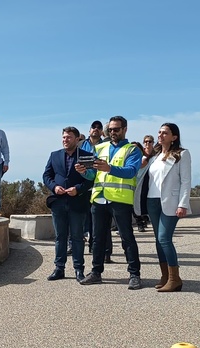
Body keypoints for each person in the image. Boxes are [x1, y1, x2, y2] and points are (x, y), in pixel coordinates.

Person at [76, 116, 144, 289]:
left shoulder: (132, 150)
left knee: (126, 237)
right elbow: (94, 175)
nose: (113, 132)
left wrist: (110, 168)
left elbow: (130, 172)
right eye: (111, 130)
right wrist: (84, 172)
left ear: (125, 129)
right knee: (97, 238)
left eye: (116, 129)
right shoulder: (100, 148)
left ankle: (134, 274)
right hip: (99, 198)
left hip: (120, 199)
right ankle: (96, 272)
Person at [135, 123, 191, 292]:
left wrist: (183, 204)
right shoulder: (155, 156)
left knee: (164, 238)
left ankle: (175, 278)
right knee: (158, 241)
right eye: (159, 132)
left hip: (170, 202)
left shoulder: (182, 154)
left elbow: (186, 181)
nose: (160, 135)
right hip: (152, 201)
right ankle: (165, 275)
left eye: (165, 133)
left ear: (174, 137)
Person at [43, 127, 94, 283]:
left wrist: (78, 189)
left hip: (77, 202)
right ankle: (59, 268)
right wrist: (54, 187)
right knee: (60, 237)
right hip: (58, 202)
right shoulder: (55, 155)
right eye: (64, 137)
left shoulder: (86, 156)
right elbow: (46, 175)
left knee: (77, 237)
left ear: (77, 139)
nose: (65, 140)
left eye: (69, 137)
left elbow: (91, 179)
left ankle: (79, 270)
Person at [80, 121, 106, 254]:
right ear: (89, 130)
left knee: (95, 220)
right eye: (93, 127)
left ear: (102, 131)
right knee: (79, 217)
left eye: (99, 128)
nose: (96, 129)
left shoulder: (106, 146)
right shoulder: (81, 144)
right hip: (82, 185)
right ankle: (73, 245)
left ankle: (95, 247)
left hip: (99, 186)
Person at [134, 135, 156, 232]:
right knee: (137, 201)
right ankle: (140, 222)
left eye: (150, 141)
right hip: (140, 180)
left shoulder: (156, 155)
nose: (147, 143)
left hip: (151, 181)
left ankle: (145, 218)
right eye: (146, 141)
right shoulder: (141, 154)